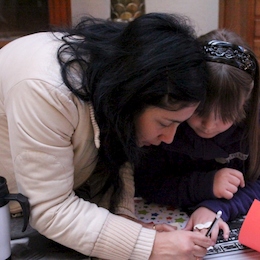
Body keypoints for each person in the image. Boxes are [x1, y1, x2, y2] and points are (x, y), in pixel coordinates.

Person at [0, 13, 213, 260]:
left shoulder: (116, 71)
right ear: (134, 96)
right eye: (165, 123)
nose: (169, 138)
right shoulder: (47, 91)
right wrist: (152, 246)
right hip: (13, 216)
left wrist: (125, 221)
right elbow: (51, 210)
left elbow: (114, 146)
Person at [134, 28, 260, 241]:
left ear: (245, 103)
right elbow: (146, 182)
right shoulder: (167, 124)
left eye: (226, 116)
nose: (209, 126)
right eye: (199, 112)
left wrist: (216, 207)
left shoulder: (252, 125)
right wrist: (206, 184)